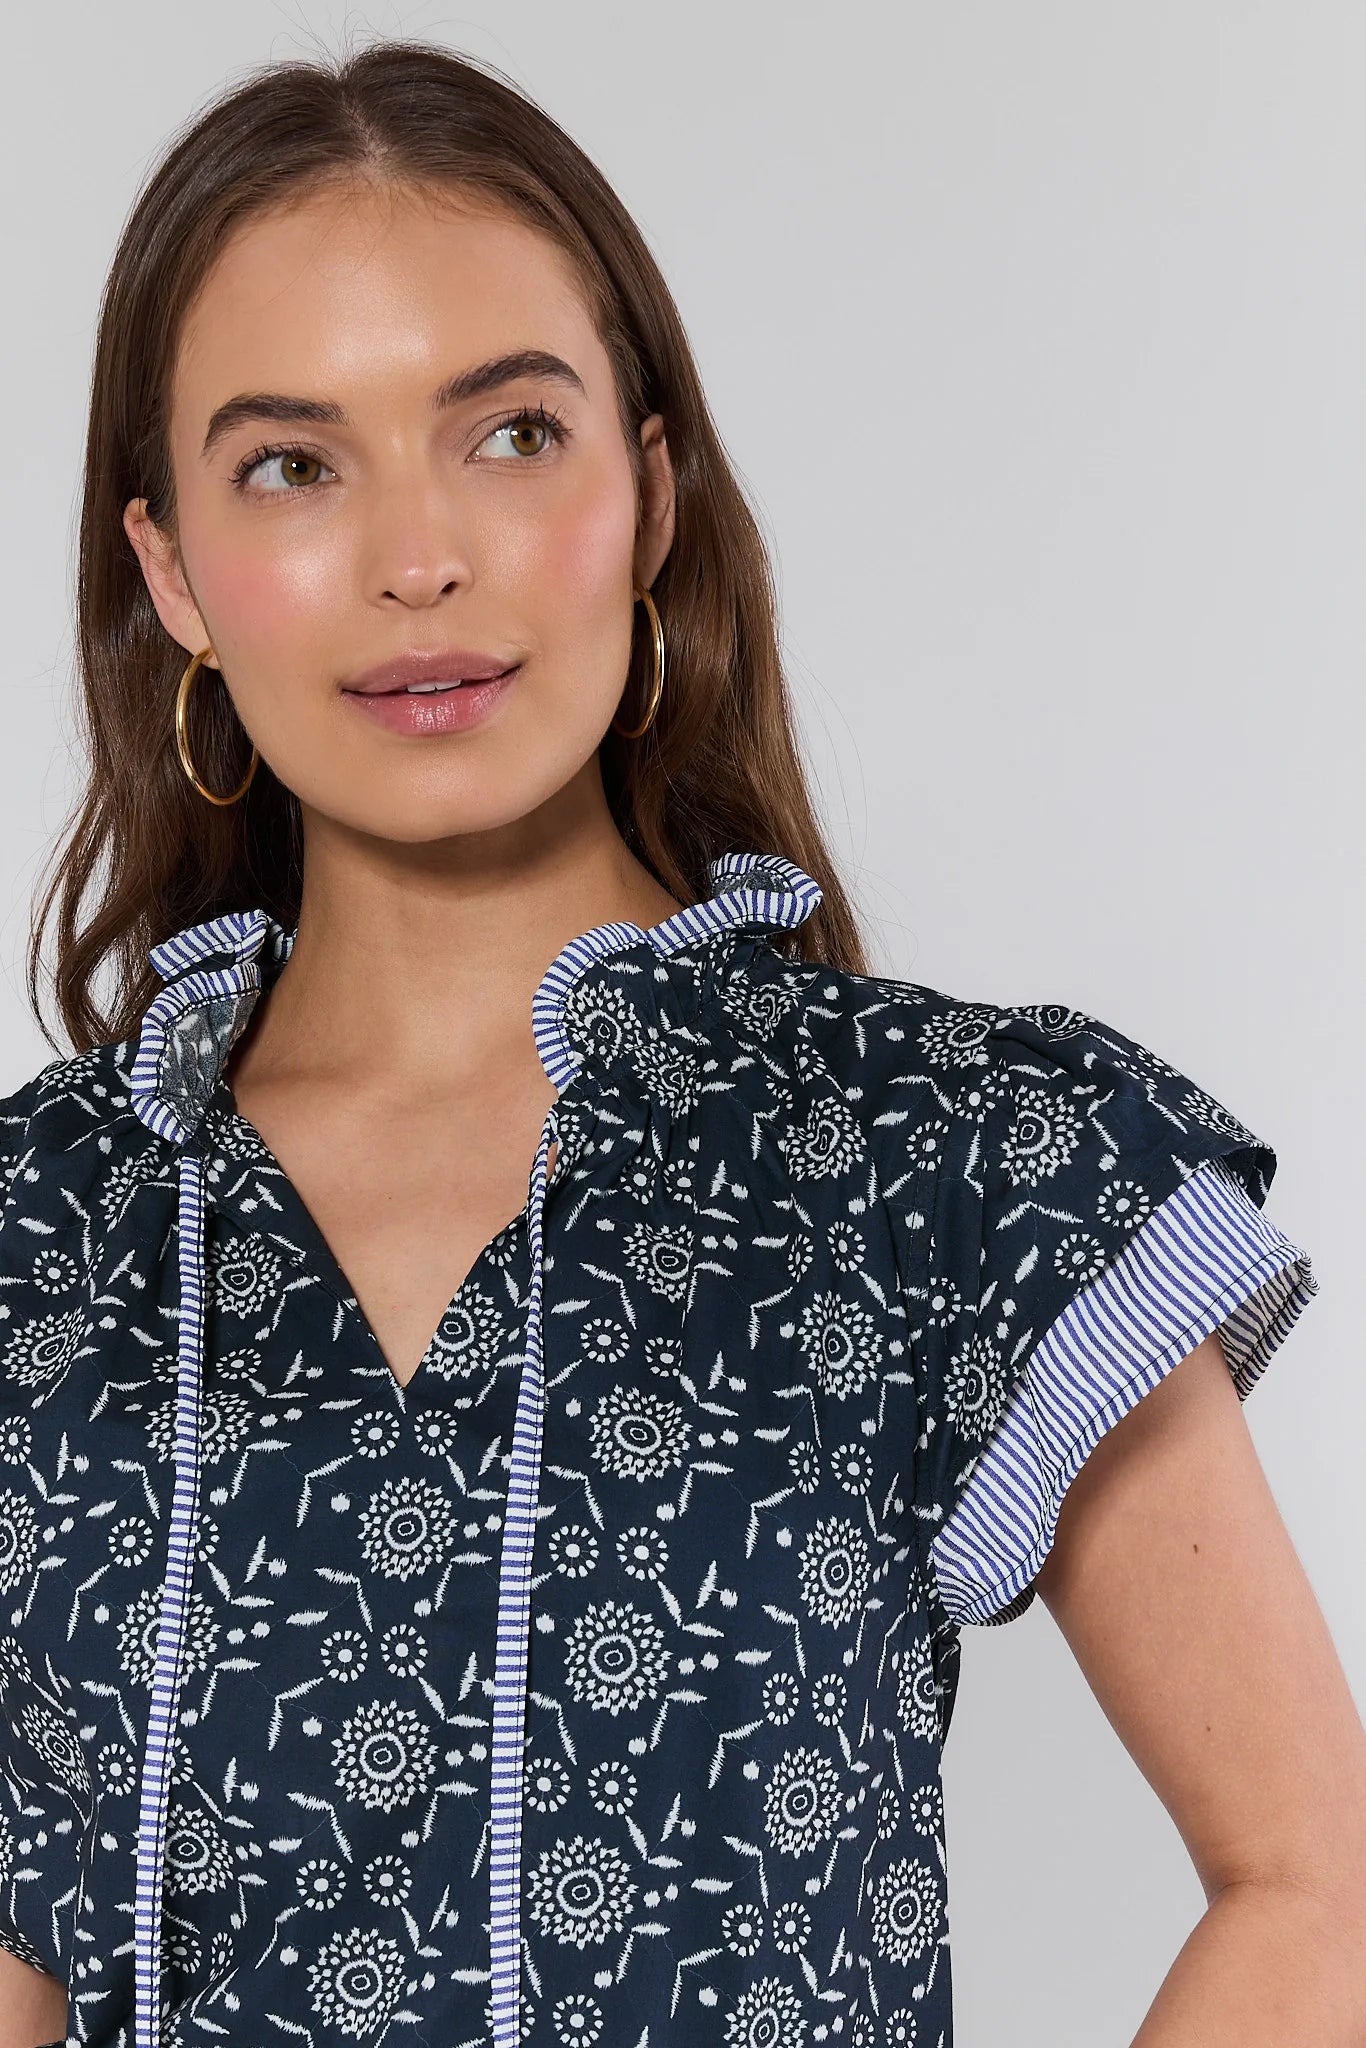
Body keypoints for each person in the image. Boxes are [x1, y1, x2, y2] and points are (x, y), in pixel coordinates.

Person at [1, 36, 1361, 2048]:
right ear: (174, 573)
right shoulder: (44, 1231)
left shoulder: (958, 1153)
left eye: (509, 434)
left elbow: (1311, 1883)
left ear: (647, 494)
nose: (418, 556)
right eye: (292, 462)